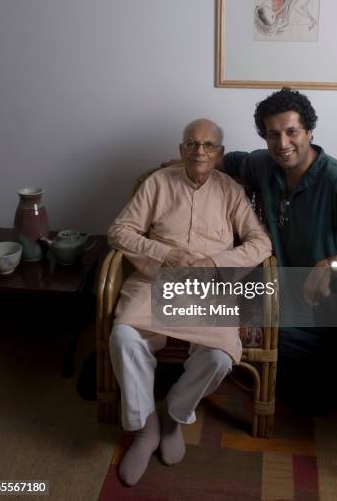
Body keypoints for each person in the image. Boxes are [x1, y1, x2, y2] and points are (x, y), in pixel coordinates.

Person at [108, 118, 272, 486]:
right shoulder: (157, 183)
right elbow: (119, 231)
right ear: (181, 149)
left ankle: (173, 416)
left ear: (220, 153)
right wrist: (165, 254)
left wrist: (215, 263)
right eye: (192, 144)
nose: (200, 151)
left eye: (209, 145)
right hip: (156, 281)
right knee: (123, 337)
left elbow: (260, 244)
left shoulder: (231, 191)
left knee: (218, 356)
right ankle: (146, 427)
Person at [222, 88, 337, 412]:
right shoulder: (264, 164)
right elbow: (229, 160)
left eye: (292, 132)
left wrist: (328, 265)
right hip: (274, 287)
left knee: (302, 377)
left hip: (323, 308)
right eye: (273, 135)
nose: (283, 144)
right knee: (186, 300)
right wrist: (181, 166)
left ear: (309, 131)